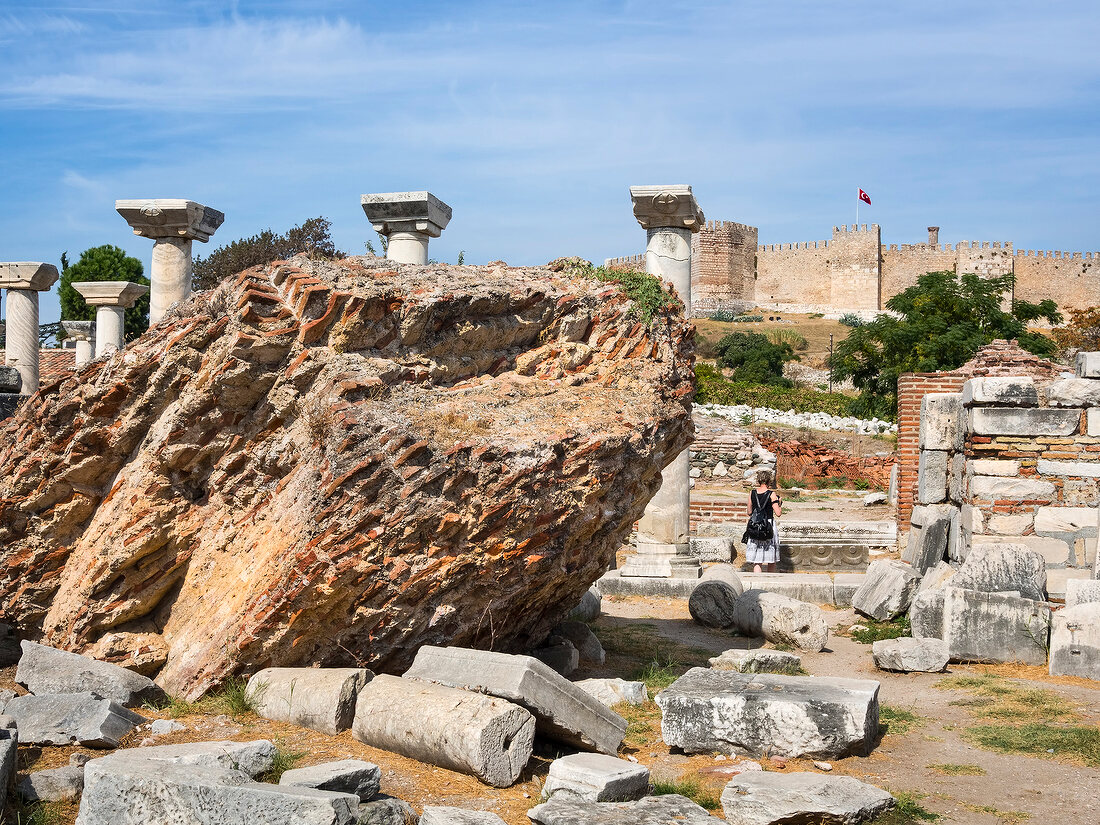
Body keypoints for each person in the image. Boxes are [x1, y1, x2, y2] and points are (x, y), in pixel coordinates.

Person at [745, 469, 782, 573]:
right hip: (768, 525)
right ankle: (769, 581)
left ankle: (757, 583)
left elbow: (749, 512)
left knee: (757, 560)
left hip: (756, 525)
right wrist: (779, 503)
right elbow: (778, 513)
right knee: (771, 560)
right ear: (769, 481)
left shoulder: (752, 493)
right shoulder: (772, 494)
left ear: (759, 480)